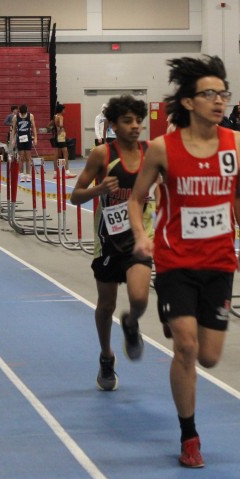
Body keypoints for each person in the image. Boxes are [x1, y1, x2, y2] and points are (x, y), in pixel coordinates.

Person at [128, 55, 240, 469]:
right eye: (209, 94)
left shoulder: (238, 144)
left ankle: (177, 318)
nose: (219, 101)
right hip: (175, 260)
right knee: (185, 346)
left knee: (209, 357)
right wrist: (142, 235)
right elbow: (136, 199)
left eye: (223, 94)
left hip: (218, 262)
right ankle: (189, 436)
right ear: (188, 102)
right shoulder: (162, 149)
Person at [70, 96, 153, 392]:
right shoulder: (102, 154)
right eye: (128, 121)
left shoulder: (151, 152)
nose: (135, 126)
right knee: (106, 305)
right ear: (114, 125)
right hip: (108, 241)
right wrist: (99, 190)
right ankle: (106, 356)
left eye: (138, 121)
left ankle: (131, 323)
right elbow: (75, 196)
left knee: (139, 298)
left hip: (139, 238)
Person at [14, 104, 36, 180]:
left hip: (28, 138)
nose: (23, 115)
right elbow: (14, 129)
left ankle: (28, 174)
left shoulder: (30, 116)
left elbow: (34, 127)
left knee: (28, 157)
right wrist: (13, 139)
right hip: (20, 138)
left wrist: (35, 138)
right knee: (21, 157)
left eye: (24, 114)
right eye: (22, 114)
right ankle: (21, 174)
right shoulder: (15, 117)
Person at [51, 103, 73, 175]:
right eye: (64, 109)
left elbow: (49, 125)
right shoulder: (60, 117)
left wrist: (55, 130)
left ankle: (55, 171)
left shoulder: (55, 116)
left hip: (56, 136)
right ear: (61, 110)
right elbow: (61, 125)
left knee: (56, 154)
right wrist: (61, 129)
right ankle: (67, 171)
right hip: (61, 136)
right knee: (65, 153)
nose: (64, 111)